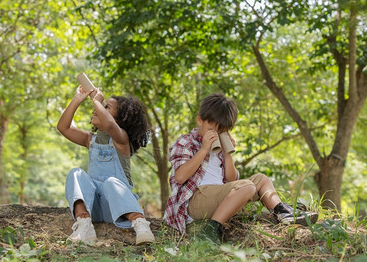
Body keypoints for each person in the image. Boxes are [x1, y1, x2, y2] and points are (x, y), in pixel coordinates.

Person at [163, 93, 318, 244]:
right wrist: (203, 150)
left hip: (220, 196)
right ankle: (211, 229)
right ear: (200, 121)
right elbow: (180, 177)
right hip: (195, 200)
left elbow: (231, 180)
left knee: (261, 179)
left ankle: (282, 212)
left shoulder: (221, 148)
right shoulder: (186, 142)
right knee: (248, 187)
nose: (217, 134)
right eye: (213, 129)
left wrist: (227, 154)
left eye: (222, 131)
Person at [57, 86, 155, 245]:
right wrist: (78, 98)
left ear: (120, 119)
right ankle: (84, 224)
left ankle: (140, 224)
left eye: (106, 107)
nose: (98, 108)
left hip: (118, 208)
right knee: (76, 173)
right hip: (94, 207)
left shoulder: (121, 139)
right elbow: (63, 127)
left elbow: (110, 126)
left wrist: (97, 100)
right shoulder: (90, 140)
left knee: (111, 182)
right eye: (100, 106)